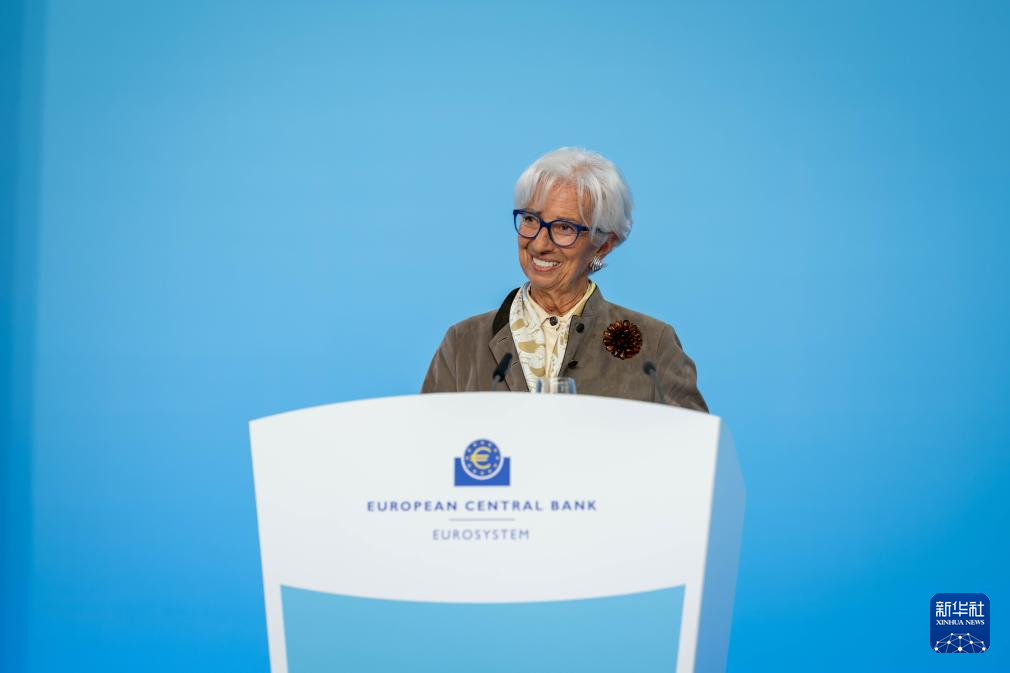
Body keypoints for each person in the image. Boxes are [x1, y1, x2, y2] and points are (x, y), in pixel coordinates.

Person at [421, 147, 707, 412]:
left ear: (604, 245)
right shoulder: (462, 343)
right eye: (530, 219)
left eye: (564, 227)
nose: (539, 244)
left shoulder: (654, 345)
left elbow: (693, 445)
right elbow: (426, 443)